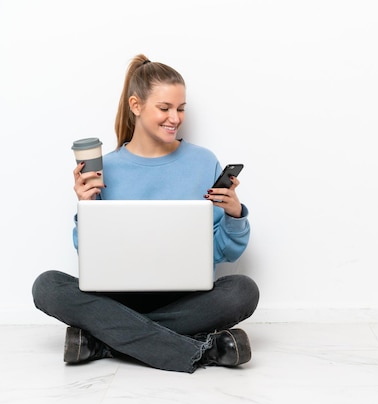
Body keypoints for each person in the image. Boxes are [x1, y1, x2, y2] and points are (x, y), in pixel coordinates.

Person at [32, 54, 259, 373]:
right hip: (120, 298)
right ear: (136, 105)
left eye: (180, 109)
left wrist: (235, 215)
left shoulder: (203, 162)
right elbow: (88, 252)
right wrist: (87, 207)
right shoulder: (104, 168)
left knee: (242, 291)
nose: (175, 118)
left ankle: (103, 340)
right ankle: (201, 351)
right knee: (47, 286)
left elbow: (224, 253)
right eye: (164, 108)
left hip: (185, 298)